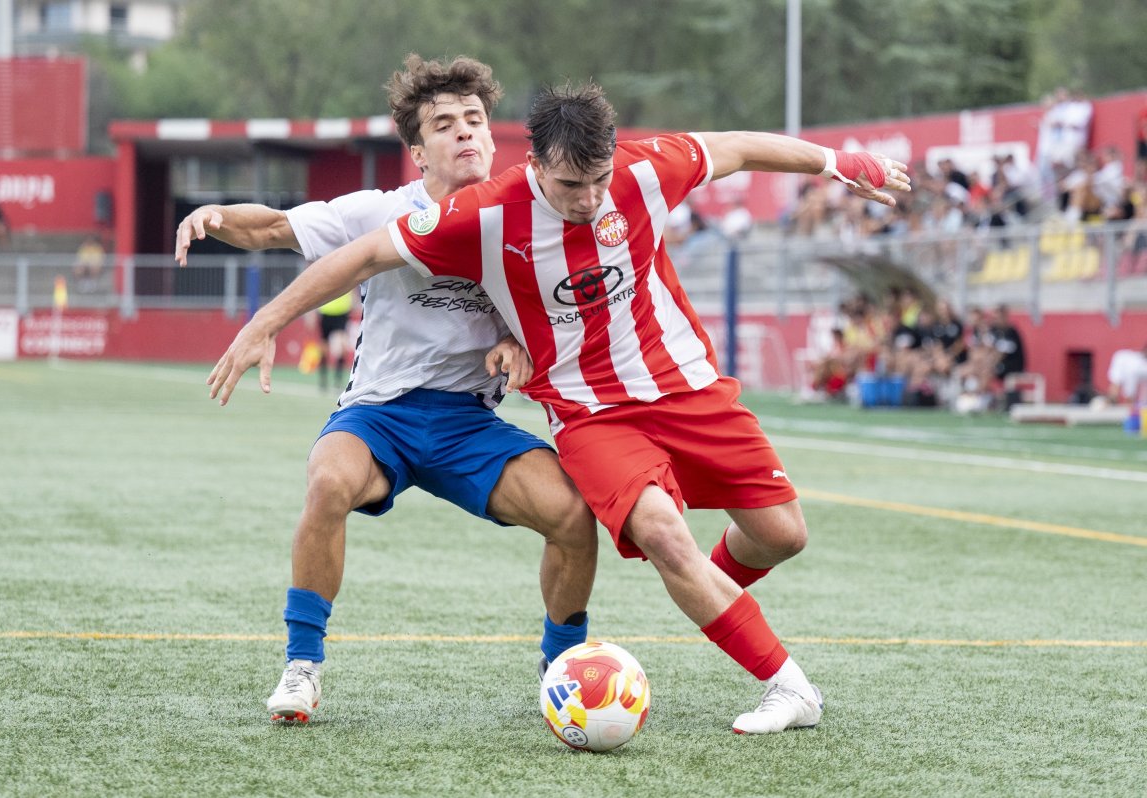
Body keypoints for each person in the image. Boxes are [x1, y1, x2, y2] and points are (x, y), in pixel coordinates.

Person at [207, 80, 910, 735]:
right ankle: (787, 686)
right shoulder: (471, 216)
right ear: (537, 165)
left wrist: (836, 162)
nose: (592, 198)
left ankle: (678, 610)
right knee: (664, 536)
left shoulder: (641, 170)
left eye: (599, 179)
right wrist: (263, 319)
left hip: (674, 391)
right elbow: (352, 256)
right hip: (565, 414)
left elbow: (738, 146)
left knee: (779, 534)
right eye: (573, 185)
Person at [176, 55, 598, 725]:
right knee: (327, 483)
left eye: (475, 120)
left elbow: (565, 318)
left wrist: (522, 346)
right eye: (443, 125)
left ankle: (562, 671)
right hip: (381, 417)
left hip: (469, 426)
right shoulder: (381, 212)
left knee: (575, 518)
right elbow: (276, 228)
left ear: (493, 137)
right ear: (417, 152)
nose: (464, 134)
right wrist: (215, 215)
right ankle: (301, 666)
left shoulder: (532, 217)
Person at [314, 290, 358, 391]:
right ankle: (323, 381)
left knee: (341, 348)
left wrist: (355, 302)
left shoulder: (348, 274)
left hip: (342, 313)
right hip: (325, 312)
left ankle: (337, 381)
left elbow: (352, 289)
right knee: (324, 348)